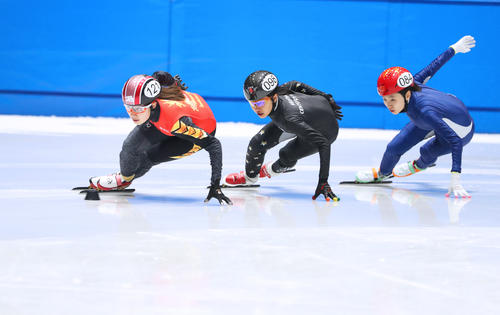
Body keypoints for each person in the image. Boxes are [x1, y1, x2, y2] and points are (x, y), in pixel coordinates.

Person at [355, 35, 476, 198]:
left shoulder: (425, 111)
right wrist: (453, 48)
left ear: (406, 96)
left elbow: (455, 141)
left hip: (461, 130)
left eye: (392, 99)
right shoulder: (413, 84)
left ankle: (420, 165)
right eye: (384, 99)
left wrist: (456, 177)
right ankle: (382, 174)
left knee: (426, 151)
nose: (388, 104)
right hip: (434, 117)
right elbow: (434, 66)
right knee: (393, 148)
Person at [88, 71, 232, 205]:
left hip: (201, 127)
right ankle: (124, 179)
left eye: (138, 109)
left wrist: (215, 185)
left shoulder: (176, 123)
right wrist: (174, 85)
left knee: (149, 157)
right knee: (129, 147)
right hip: (174, 112)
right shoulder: (152, 91)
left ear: (153, 104)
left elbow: (214, 144)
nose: (133, 114)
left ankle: (124, 180)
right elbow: (161, 75)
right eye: (129, 108)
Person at [224, 70, 343, 201]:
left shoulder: (289, 119)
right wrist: (326, 97)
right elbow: (296, 84)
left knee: (286, 154)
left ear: (274, 98)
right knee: (257, 143)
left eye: (260, 103)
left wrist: (323, 182)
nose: (256, 109)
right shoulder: (282, 90)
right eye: (252, 104)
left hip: (325, 131)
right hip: (309, 114)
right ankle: (249, 178)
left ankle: (272, 170)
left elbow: (323, 143)